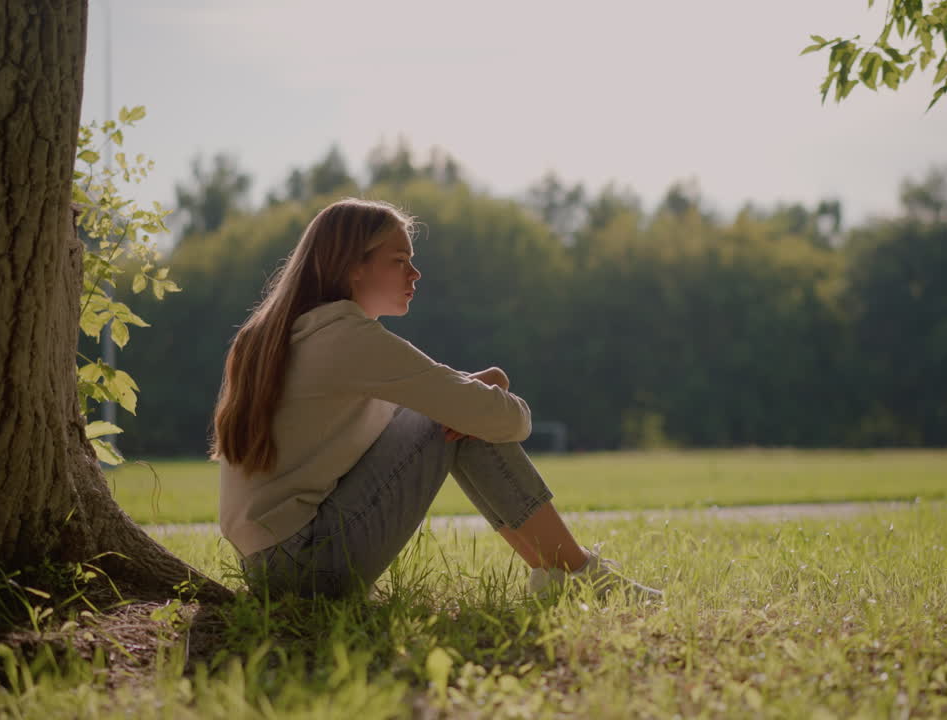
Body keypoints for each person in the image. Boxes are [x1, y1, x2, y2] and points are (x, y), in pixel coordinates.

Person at [211, 198, 661, 602]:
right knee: (461, 420)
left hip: (274, 567)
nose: (415, 273)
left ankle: (561, 573)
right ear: (354, 267)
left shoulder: (282, 334)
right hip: (308, 566)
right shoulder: (347, 338)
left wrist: (471, 391)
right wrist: (488, 396)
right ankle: (580, 573)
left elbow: (408, 414)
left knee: (455, 415)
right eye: (400, 260)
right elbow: (503, 420)